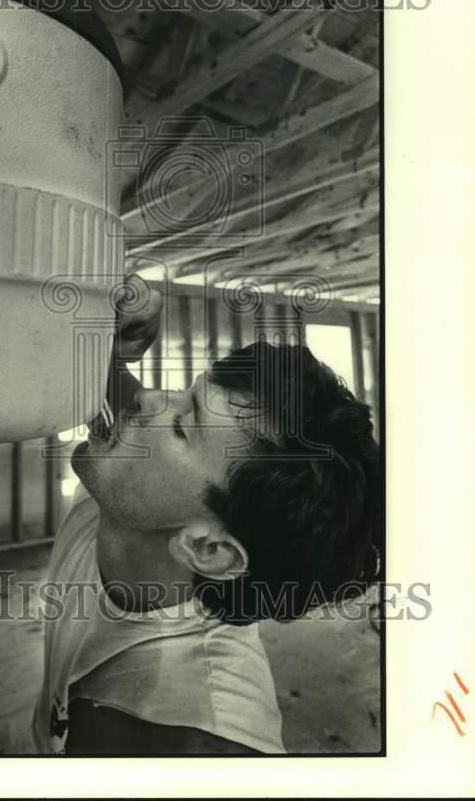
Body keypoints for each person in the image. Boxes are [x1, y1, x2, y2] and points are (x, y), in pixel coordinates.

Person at [32, 275, 380, 755]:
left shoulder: (204, 738)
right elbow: (97, 367)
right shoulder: (140, 494)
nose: (148, 398)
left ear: (209, 549)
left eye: (180, 425)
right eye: (184, 394)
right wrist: (110, 341)